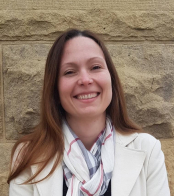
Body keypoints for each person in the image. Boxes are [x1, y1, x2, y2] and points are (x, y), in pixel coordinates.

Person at [8, 29, 170, 196]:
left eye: (95, 67)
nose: (85, 80)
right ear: (54, 88)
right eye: (70, 72)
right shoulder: (28, 154)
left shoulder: (148, 150)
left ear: (111, 79)